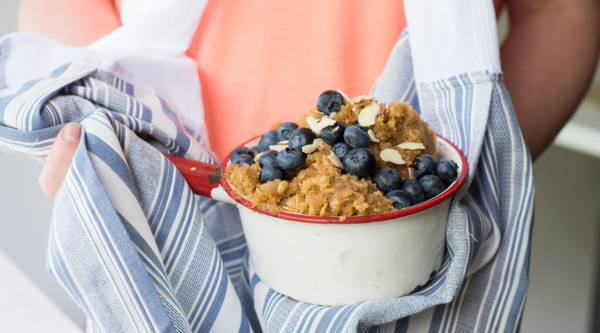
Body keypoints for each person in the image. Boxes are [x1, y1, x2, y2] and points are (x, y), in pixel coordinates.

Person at [18, 0, 600, 197]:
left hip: (411, 237)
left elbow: (561, 10)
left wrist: (474, 160)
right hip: (158, 194)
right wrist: (89, 118)